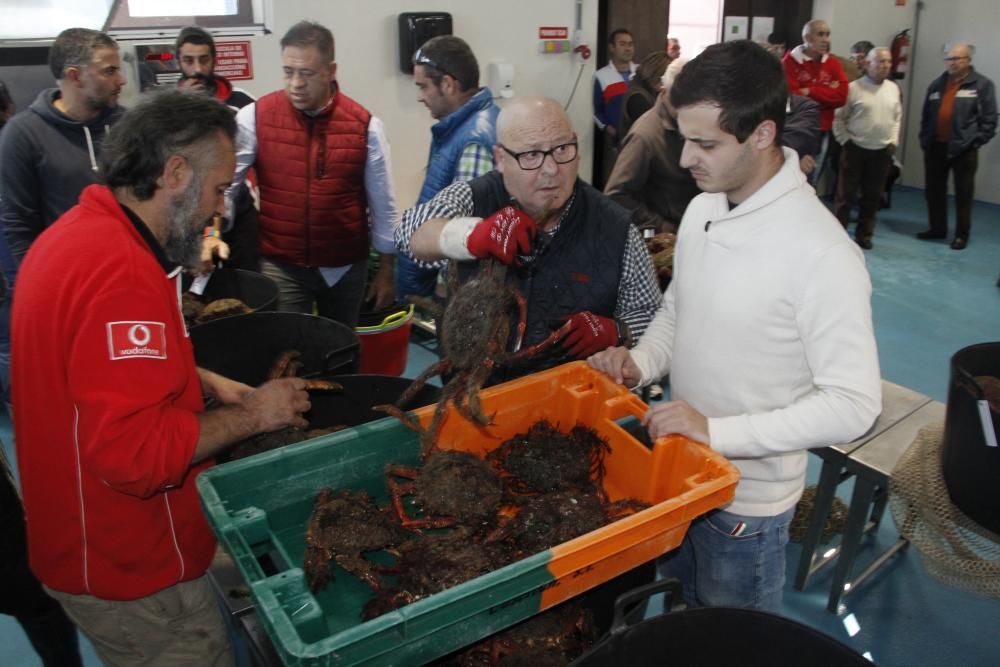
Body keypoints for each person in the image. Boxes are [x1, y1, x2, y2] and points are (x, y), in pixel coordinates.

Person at [11, 89, 312, 666]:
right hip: (130, 570)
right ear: (175, 173)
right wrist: (255, 413)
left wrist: (200, 379)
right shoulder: (122, 277)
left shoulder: (79, 235)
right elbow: (133, 457)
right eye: (219, 188)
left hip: (78, 538)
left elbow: (85, 367)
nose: (219, 211)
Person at [588, 40, 881, 612]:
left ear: (764, 135)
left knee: (726, 643)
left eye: (706, 144)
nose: (684, 159)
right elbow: (680, 309)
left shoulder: (821, 254)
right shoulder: (704, 208)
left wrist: (717, 433)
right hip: (680, 475)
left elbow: (854, 404)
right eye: (684, 139)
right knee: (675, 628)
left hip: (745, 509)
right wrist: (642, 361)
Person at [397, 96, 661, 382]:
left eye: (562, 149)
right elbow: (409, 231)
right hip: (474, 389)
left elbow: (651, 315)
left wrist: (619, 330)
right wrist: (471, 235)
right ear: (500, 158)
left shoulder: (616, 227)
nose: (551, 169)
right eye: (531, 155)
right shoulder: (473, 199)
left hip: (571, 397)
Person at [228, 21, 398, 327]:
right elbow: (226, 188)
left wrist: (387, 270)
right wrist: (210, 233)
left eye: (306, 73)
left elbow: (383, 205)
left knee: (340, 350)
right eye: (288, 72)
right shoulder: (254, 118)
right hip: (281, 264)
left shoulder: (365, 127)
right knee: (285, 349)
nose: (295, 83)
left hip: (346, 266)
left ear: (331, 71)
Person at [0, 27, 125, 264]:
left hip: (122, 268)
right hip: (65, 275)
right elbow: (19, 226)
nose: (121, 80)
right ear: (75, 76)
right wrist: (38, 285)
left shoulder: (127, 125)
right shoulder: (23, 134)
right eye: (110, 71)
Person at [396, 34, 499, 300]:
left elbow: (464, 232)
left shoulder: (473, 141)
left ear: (448, 84)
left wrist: (446, 287)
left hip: (461, 293)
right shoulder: (466, 126)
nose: (420, 97)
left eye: (423, 86)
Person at [175, 25, 260, 271]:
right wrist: (185, 107)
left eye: (204, 60)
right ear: (178, 62)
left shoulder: (242, 103)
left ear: (214, 60)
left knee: (245, 285)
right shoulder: (167, 108)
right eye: (189, 61)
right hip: (187, 212)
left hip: (238, 210)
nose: (198, 69)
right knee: (196, 289)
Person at [917, 43, 997, 250]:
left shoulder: (982, 85)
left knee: (963, 193)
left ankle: (962, 234)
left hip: (964, 149)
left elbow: (989, 120)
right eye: (949, 58)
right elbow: (926, 116)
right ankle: (937, 228)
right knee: (934, 191)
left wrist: (975, 142)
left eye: (957, 58)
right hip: (936, 147)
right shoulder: (937, 85)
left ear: (968, 60)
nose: (952, 62)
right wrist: (925, 139)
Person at [605, 58, 700, 233]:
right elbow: (615, 195)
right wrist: (661, 225)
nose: (688, 107)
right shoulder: (644, 135)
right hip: (668, 237)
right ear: (663, 93)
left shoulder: (691, 124)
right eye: (680, 99)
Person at [833, 47, 902, 249]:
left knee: (872, 198)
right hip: (855, 149)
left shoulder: (893, 88)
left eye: (888, 61)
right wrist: (845, 140)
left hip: (882, 151)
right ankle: (838, 237)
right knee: (845, 197)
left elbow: (897, 117)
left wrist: (893, 141)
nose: (884, 66)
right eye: (879, 61)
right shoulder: (853, 88)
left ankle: (864, 236)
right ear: (867, 64)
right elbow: (839, 119)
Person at [783, 20, 848, 190]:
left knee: (813, 176)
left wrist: (810, 91)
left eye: (827, 34)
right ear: (807, 37)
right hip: (795, 128)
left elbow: (842, 96)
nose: (825, 39)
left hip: (822, 129)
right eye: (820, 34)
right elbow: (793, 98)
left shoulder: (833, 63)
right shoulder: (789, 62)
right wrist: (826, 92)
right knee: (790, 174)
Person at [593, 29, 636, 185]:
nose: (628, 48)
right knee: (618, 181)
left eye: (630, 44)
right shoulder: (602, 76)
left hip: (641, 137)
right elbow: (596, 111)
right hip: (617, 141)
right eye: (622, 44)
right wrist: (608, 128)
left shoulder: (641, 72)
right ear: (612, 47)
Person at [617, 51, 671, 139]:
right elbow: (654, 130)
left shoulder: (645, 89)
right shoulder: (638, 98)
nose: (665, 82)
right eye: (665, 77)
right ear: (657, 75)